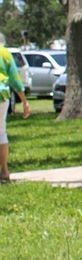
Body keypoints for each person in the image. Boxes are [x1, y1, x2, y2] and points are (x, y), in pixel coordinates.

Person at [0, 34, 31, 182]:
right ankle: (4, 170)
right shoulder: (5, 53)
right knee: (1, 132)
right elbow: (14, 78)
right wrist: (24, 101)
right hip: (2, 95)